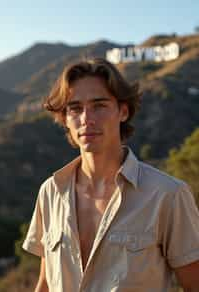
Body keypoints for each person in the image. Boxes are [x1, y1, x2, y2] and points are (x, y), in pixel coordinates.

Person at [22, 58, 199, 292]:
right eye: (75, 108)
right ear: (65, 118)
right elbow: (45, 284)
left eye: (99, 105)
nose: (86, 119)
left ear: (123, 111)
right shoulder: (51, 192)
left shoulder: (168, 195)